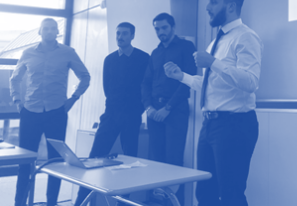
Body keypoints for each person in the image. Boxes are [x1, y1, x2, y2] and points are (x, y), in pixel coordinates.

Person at [165, 0, 263, 206]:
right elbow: (211, 85)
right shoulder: (215, 43)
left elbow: (251, 82)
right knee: (205, 194)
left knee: (231, 196)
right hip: (209, 125)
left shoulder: (246, 37)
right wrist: (182, 76)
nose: (207, 7)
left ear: (231, 6)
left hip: (235, 125)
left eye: (213, 2)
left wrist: (213, 62)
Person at [10, 18, 90, 206]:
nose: (49, 31)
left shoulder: (68, 52)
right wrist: (18, 102)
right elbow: (15, 79)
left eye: (53, 28)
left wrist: (73, 98)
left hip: (56, 113)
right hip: (30, 112)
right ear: (40, 31)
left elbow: (85, 77)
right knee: (25, 161)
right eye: (45, 28)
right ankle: (19, 203)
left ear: (57, 32)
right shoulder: (28, 53)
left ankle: (51, 203)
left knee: (56, 162)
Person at [74, 22, 150, 206]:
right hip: (110, 115)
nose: (120, 37)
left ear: (132, 36)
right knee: (93, 158)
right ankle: (80, 202)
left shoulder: (143, 58)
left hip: (132, 116)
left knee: (130, 162)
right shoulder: (109, 59)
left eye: (124, 33)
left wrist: (138, 110)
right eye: (118, 34)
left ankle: (124, 203)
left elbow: (146, 86)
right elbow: (107, 88)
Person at [142, 12, 196, 205]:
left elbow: (188, 81)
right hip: (154, 112)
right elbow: (145, 83)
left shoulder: (186, 47)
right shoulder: (155, 53)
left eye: (164, 28)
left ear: (173, 27)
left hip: (175, 111)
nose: (160, 32)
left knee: (173, 161)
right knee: (156, 160)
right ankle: (158, 203)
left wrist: (168, 107)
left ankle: (174, 203)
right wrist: (148, 107)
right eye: (157, 29)